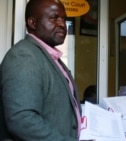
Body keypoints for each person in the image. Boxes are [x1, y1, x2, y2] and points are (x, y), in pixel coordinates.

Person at [0, 0, 82, 140]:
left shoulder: (51, 57)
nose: (62, 24)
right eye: (54, 18)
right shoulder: (23, 56)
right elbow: (22, 121)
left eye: (63, 19)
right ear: (32, 23)